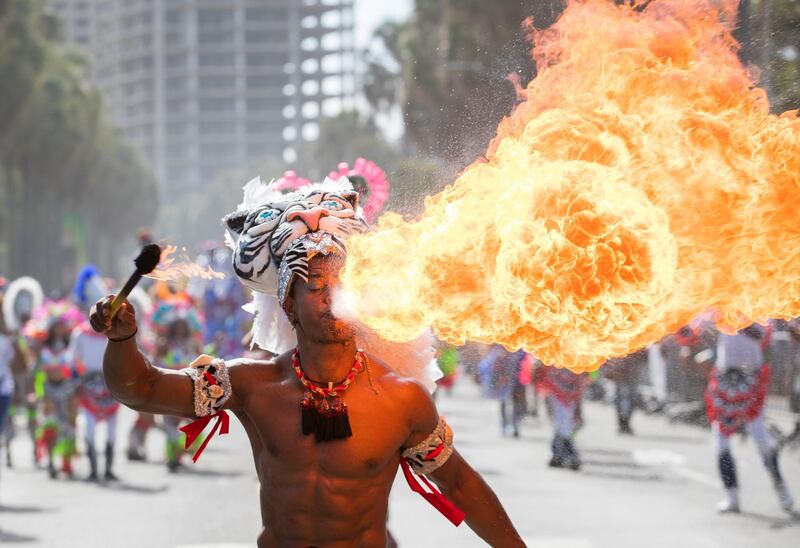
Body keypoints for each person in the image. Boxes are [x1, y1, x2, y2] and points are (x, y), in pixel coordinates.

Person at [90, 177, 524, 547]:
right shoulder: (249, 384)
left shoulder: (400, 399)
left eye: (341, 283)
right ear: (289, 304)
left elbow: (460, 484)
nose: (331, 296)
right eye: (315, 285)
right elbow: (140, 388)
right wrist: (123, 337)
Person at [706, 323, 794, 513]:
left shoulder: (757, 305)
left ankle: (782, 491)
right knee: (720, 442)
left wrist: (738, 323)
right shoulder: (717, 302)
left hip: (751, 382)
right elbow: (692, 328)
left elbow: (762, 334)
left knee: (761, 439)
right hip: (724, 381)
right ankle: (732, 497)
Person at [70, 266, 121, 481]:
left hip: (111, 387)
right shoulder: (79, 334)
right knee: (88, 429)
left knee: (112, 431)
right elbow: (71, 362)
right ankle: (93, 469)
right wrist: (75, 383)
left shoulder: (115, 334)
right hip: (89, 387)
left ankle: (108, 468)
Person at [534, 363, 587, 470]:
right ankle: (566, 455)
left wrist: (578, 406)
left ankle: (561, 455)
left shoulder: (577, 360)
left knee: (569, 426)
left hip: (571, 396)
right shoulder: (551, 357)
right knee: (560, 426)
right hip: (555, 395)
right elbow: (539, 373)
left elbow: (581, 381)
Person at [604, 348, 647, 435]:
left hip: (632, 366)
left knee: (632, 396)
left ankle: (626, 421)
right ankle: (621, 422)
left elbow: (643, 353)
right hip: (618, 366)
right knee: (619, 395)